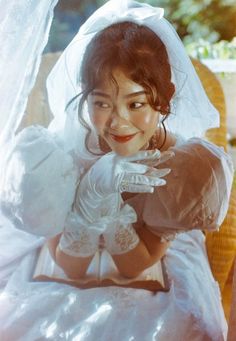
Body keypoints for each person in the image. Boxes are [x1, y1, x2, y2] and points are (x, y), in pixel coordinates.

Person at [0, 1, 234, 340]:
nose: (117, 121)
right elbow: (69, 264)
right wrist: (90, 196)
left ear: (163, 102)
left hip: (135, 269)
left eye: (135, 103)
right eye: (101, 102)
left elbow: (133, 267)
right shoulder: (64, 152)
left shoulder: (174, 167)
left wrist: (110, 210)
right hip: (69, 265)